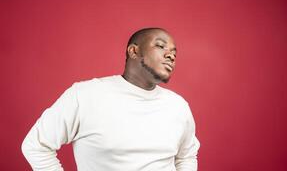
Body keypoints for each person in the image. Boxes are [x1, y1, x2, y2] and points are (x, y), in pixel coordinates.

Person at [21, 28, 200, 171]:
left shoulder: (178, 106)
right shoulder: (85, 95)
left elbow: (186, 156)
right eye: (161, 46)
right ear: (134, 51)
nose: (171, 55)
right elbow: (36, 145)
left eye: (174, 52)